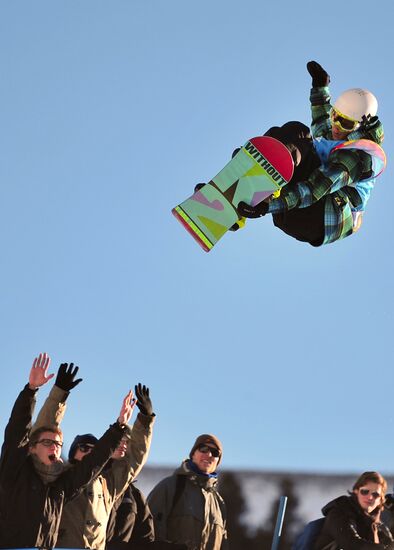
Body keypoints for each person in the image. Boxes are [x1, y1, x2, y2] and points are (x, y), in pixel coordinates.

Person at [236, 61, 386, 246]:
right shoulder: (335, 132)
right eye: (335, 117)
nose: (337, 127)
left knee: (299, 135)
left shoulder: (360, 155)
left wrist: (269, 206)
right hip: (301, 209)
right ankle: (240, 204)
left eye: (345, 124)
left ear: (361, 125)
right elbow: (321, 121)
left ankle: (269, 189)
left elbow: (317, 188)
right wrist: (320, 86)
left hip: (320, 218)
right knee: (288, 134)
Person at [0, 352, 136, 549]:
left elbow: (93, 462)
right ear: (31, 448)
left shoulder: (60, 488)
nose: (55, 447)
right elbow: (16, 433)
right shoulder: (15, 472)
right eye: (48, 443)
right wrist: (31, 390)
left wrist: (120, 425)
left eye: (58, 444)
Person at [33, 367, 156, 550]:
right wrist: (59, 394)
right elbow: (43, 434)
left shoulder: (108, 483)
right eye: (84, 447)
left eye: (95, 448)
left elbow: (133, 459)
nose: (90, 452)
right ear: (73, 453)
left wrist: (145, 420)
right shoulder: (55, 475)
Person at [148, 434, 228, 550]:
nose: (209, 455)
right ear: (193, 454)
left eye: (215, 453)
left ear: (217, 461)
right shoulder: (170, 487)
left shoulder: (219, 503)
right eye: (204, 449)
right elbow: (147, 532)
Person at [314, 471, 394, 550]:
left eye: (375, 494)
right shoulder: (340, 512)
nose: (370, 497)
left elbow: (388, 543)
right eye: (365, 492)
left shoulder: (372, 522)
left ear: (381, 499)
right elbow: (351, 543)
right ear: (356, 491)